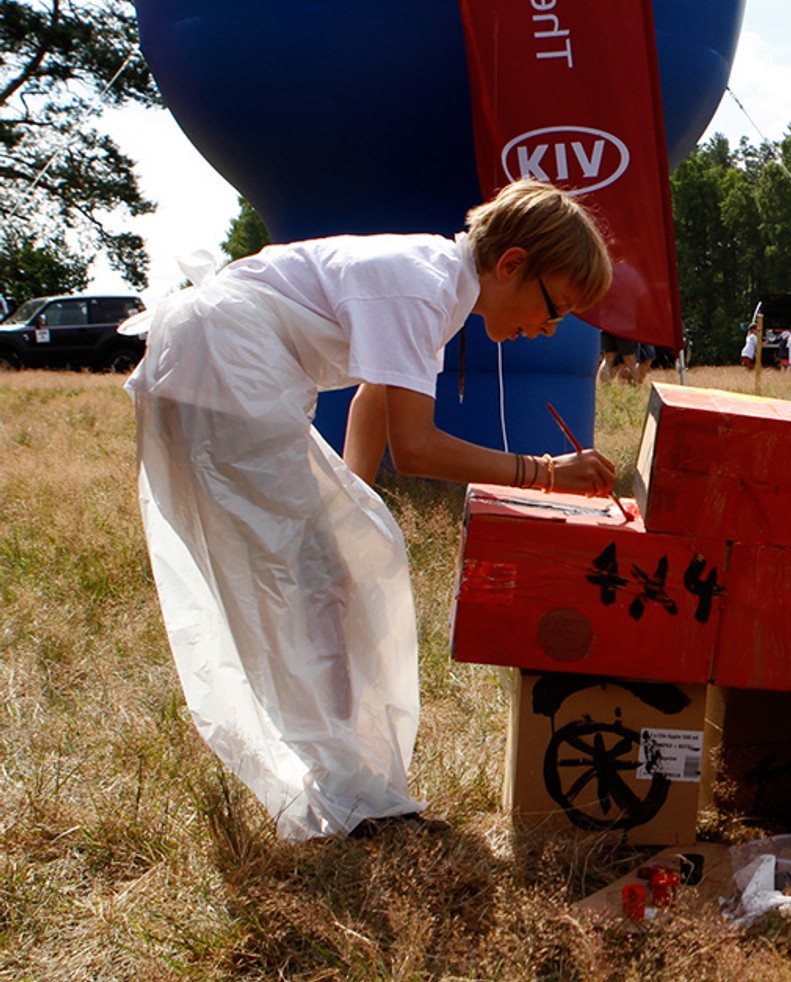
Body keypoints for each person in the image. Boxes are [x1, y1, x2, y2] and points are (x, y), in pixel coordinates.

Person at [126, 179, 619, 842]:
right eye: (554, 307)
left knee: (324, 573)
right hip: (226, 361)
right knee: (295, 587)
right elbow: (415, 447)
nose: (548, 328)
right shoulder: (424, 288)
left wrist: (346, 525)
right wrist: (545, 474)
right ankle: (351, 800)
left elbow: (374, 404)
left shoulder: (435, 284)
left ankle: (349, 786)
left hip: (214, 355)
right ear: (511, 266)